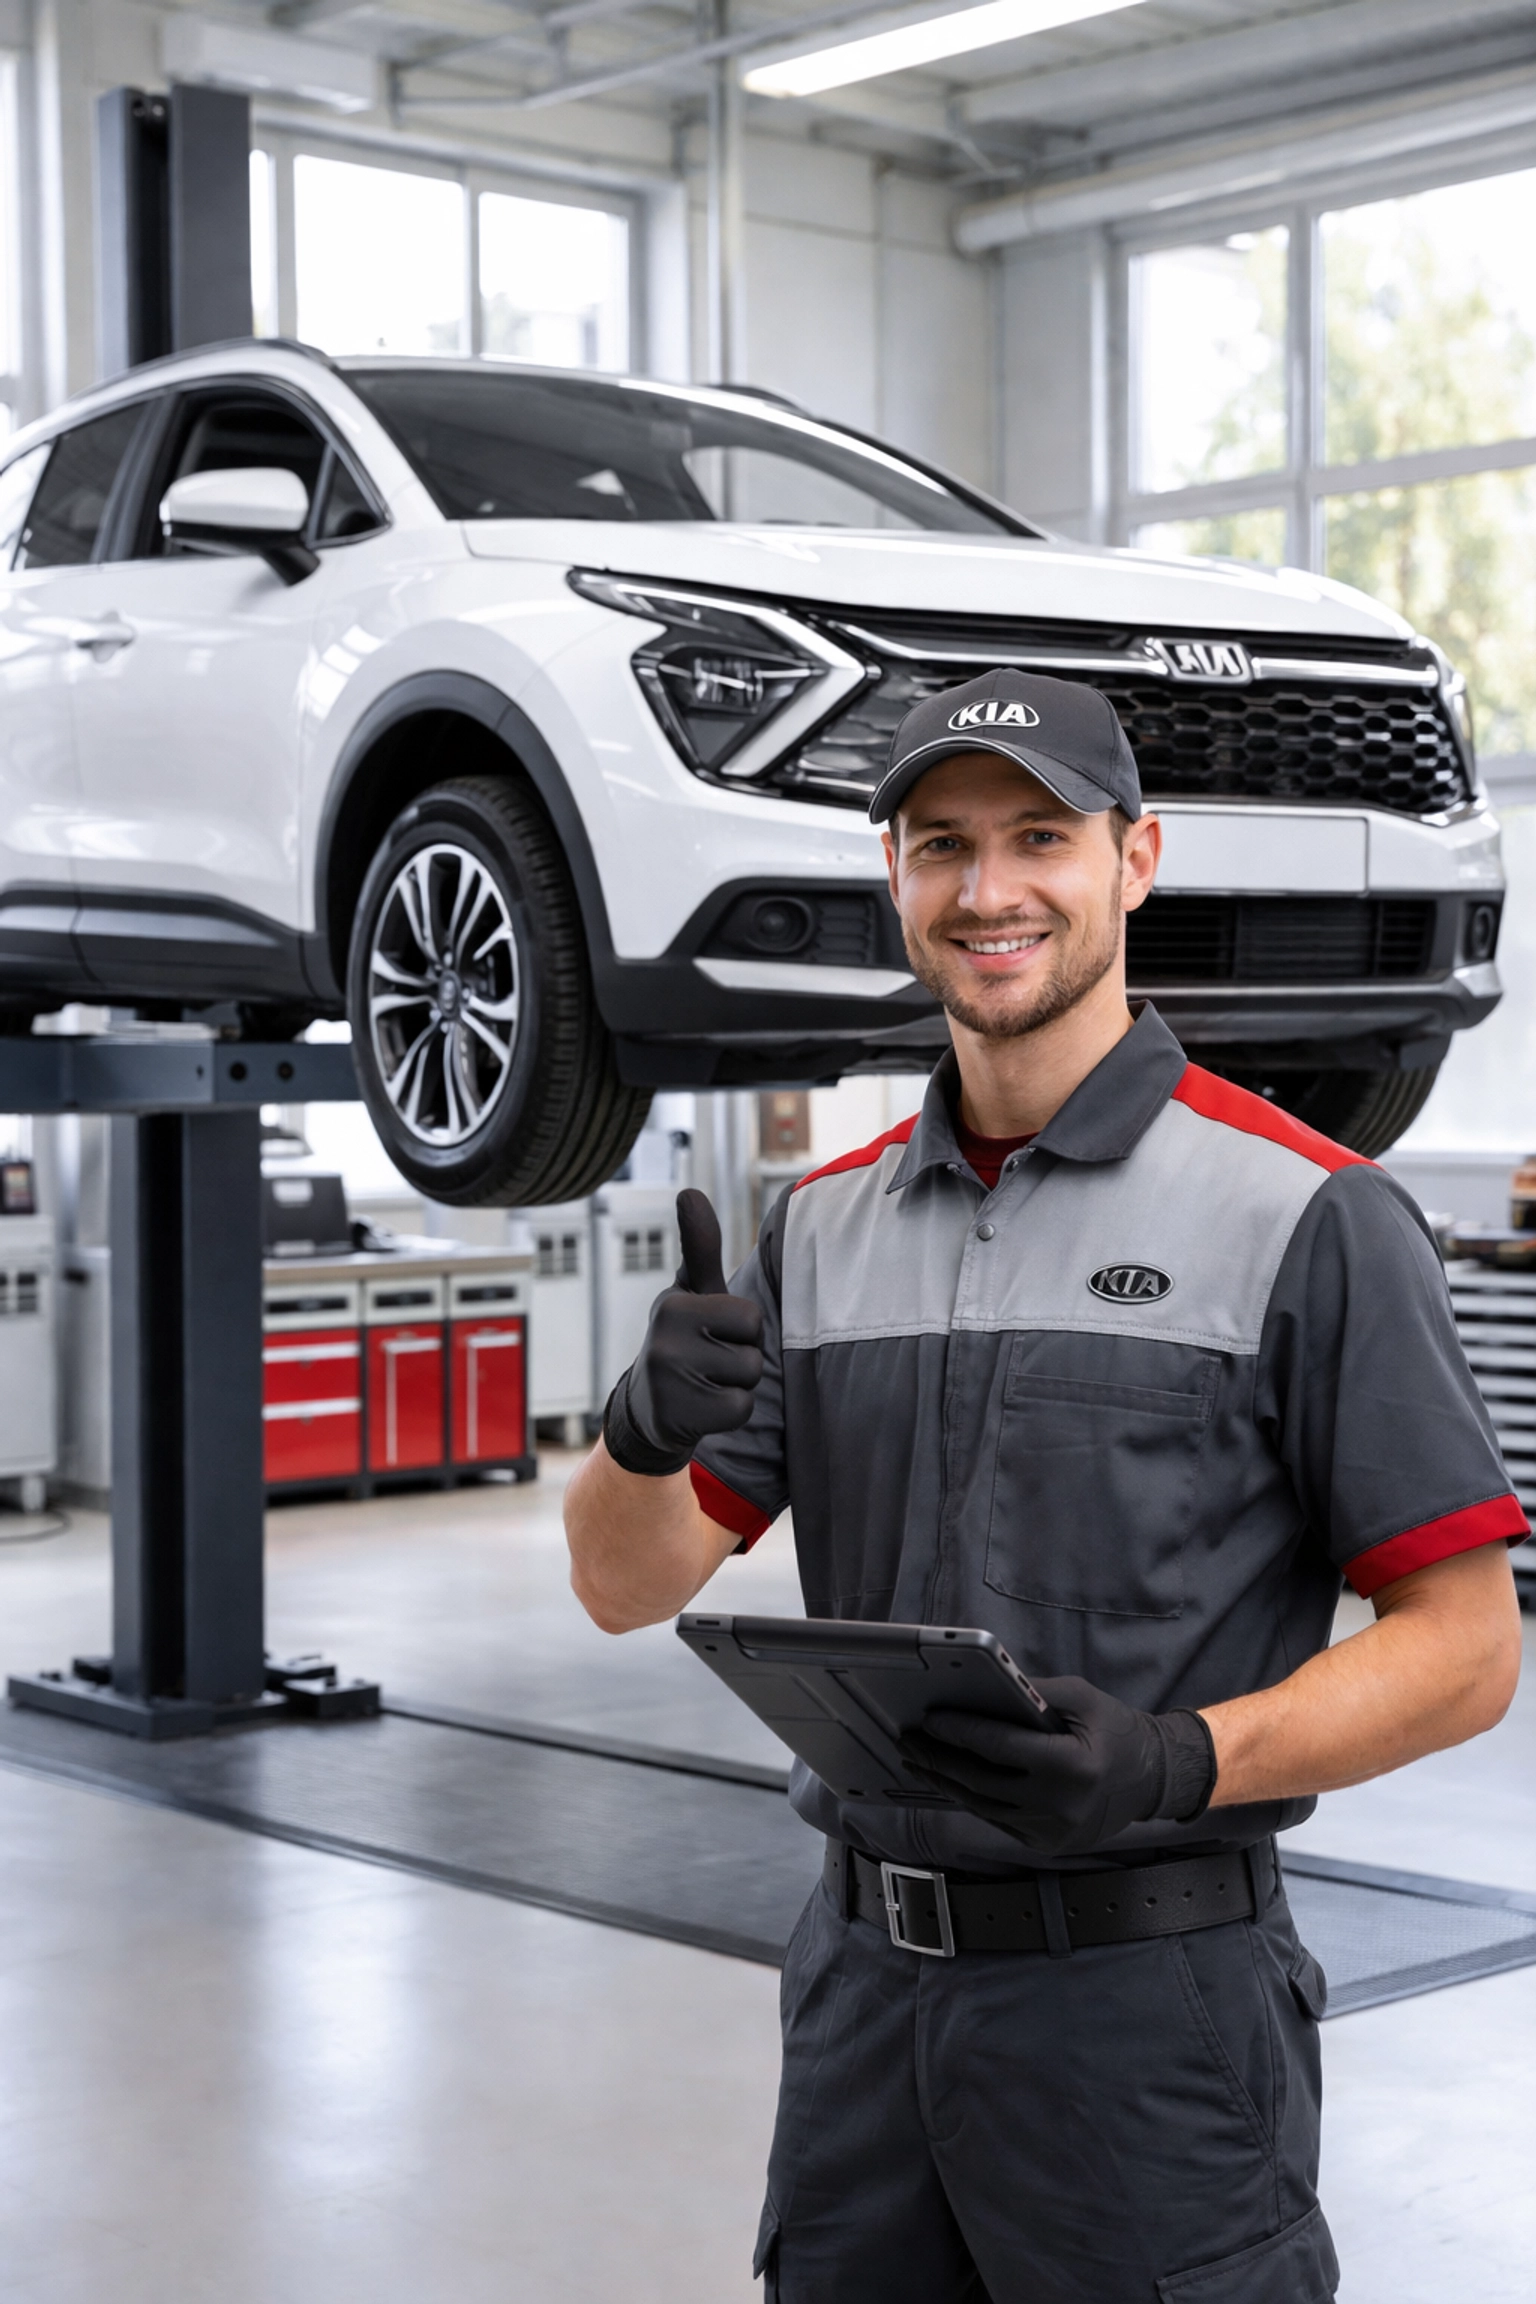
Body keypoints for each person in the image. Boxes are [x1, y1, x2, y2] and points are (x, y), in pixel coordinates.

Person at [563, 666, 1525, 2304]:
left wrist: (1172, 1759)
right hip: (861, 2006)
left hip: (1151, 2012)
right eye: (940, 845)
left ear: (1132, 861)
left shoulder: (1307, 1214)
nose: (987, 890)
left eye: (1037, 838)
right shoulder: (822, 1225)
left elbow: (1468, 1644)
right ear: (895, 880)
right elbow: (621, 1582)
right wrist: (646, 1434)